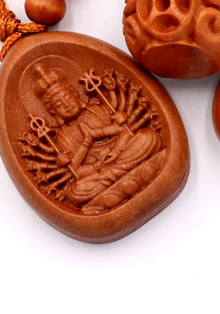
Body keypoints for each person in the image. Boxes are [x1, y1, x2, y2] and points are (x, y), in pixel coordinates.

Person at [31, 62, 163, 209]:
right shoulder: (64, 136)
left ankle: (117, 182)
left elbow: (125, 131)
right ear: (54, 112)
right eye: (59, 105)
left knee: (148, 137)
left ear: (76, 95)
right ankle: (130, 174)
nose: (67, 105)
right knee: (75, 191)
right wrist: (97, 162)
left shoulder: (98, 110)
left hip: (122, 154)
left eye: (68, 98)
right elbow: (76, 170)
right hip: (100, 170)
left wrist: (115, 148)